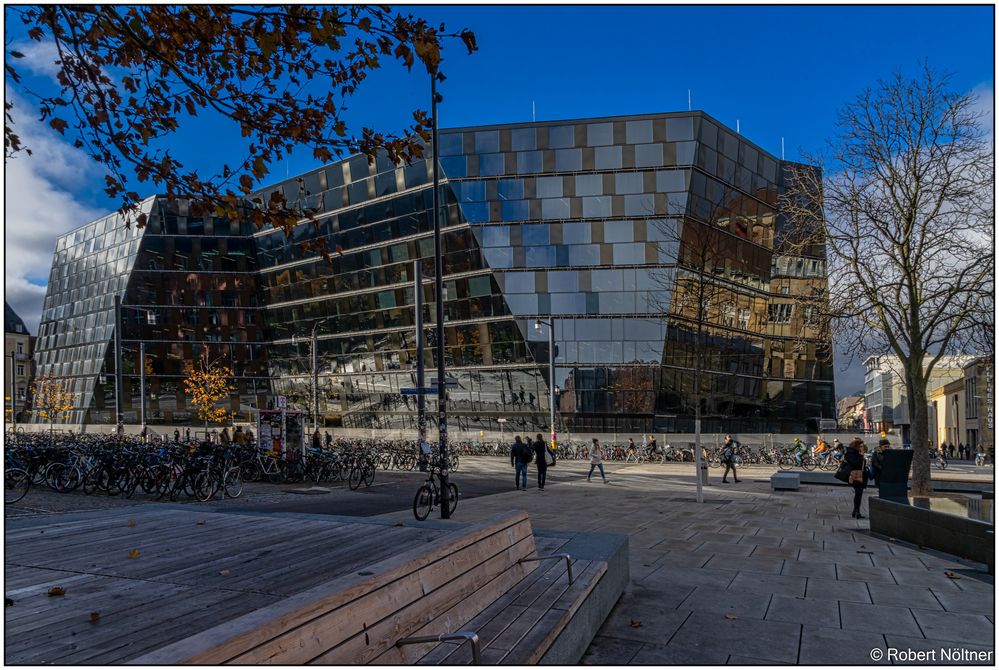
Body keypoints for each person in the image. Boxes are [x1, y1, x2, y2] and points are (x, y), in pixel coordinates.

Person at [844, 438, 868, 519]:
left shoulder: (856, 453)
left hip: (860, 476)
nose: (862, 447)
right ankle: (857, 511)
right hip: (855, 476)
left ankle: (856, 511)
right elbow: (855, 463)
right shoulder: (850, 454)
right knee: (858, 493)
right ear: (856, 446)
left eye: (862, 446)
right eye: (860, 446)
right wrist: (861, 456)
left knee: (859, 494)